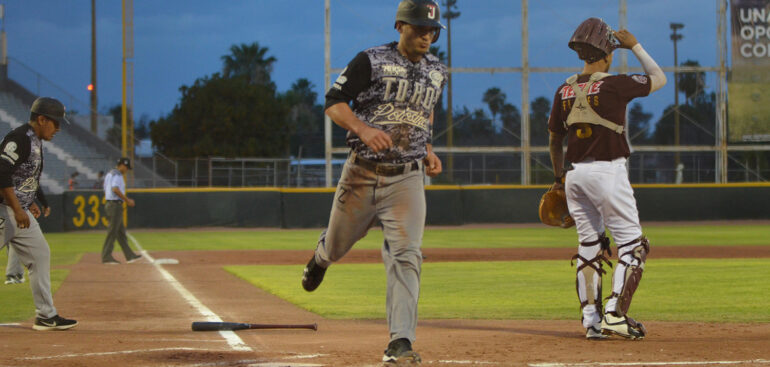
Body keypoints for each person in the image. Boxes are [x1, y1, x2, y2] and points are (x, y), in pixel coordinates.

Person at [301, 0, 446, 363]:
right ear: (400, 26)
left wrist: (427, 149)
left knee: (407, 255)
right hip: (362, 173)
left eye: (432, 30)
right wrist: (363, 129)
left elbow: (423, 113)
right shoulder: (371, 60)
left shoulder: (437, 71)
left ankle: (401, 342)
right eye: (419, 28)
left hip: (407, 179)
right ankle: (320, 258)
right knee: (337, 245)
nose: (426, 35)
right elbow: (334, 103)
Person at [547, 18, 666, 340]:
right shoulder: (615, 85)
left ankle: (591, 320)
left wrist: (558, 179)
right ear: (607, 53)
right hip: (607, 173)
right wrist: (636, 46)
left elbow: (554, 139)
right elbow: (659, 78)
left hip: (574, 176)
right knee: (634, 246)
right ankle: (615, 313)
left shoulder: (565, 89)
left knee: (589, 246)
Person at [0, 96, 78, 330]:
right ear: (42, 120)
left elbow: (21, 176)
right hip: (5, 210)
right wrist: (16, 207)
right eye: (56, 122)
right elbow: (2, 171)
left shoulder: (34, 140)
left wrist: (29, 200)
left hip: (19, 210)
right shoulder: (20, 138)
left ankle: (46, 315)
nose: (58, 128)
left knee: (40, 254)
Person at [4, 187, 50, 284]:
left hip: (10, 206)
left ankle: (16, 273)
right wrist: (43, 203)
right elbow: (36, 186)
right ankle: (13, 274)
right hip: (14, 208)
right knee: (17, 240)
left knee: (12, 243)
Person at [101, 157, 141, 264]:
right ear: (122, 165)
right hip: (115, 205)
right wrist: (127, 200)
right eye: (126, 167)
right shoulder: (118, 174)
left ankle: (130, 255)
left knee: (120, 232)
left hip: (110, 203)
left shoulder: (110, 173)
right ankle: (106, 256)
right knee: (112, 232)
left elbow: (105, 188)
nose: (127, 170)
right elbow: (115, 189)